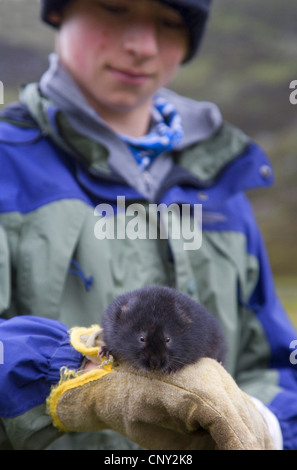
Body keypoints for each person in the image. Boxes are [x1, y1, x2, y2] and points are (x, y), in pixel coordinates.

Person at [0, 0, 297, 450]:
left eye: (170, 22)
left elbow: (277, 360)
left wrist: (264, 424)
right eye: (115, 8)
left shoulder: (221, 181)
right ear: (59, 12)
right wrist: (69, 373)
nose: (142, 45)